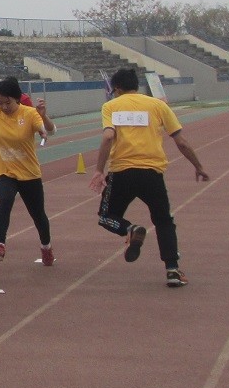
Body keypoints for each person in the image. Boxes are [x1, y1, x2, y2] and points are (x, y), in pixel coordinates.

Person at [90, 68, 209, 288]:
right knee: (164, 221)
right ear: (137, 86)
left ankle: (129, 229)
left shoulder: (111, 106)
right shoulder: (158, 106)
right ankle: (172, 270)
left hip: (122, 172)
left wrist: (98, 170)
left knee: (106, 216)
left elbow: (107, 137)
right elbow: (181, 142)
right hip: (152, 174)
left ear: (117, 89)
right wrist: (198, 166)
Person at [0, 78, 56, 264]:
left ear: (17, 98)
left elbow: (50, 130)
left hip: (29, 173)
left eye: (7, 102)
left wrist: (43, 124)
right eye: (0, 103)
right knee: (5, 199)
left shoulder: (30, 113)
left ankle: (46, 247)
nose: (4, 107)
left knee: (38, 215)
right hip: (5, 171)